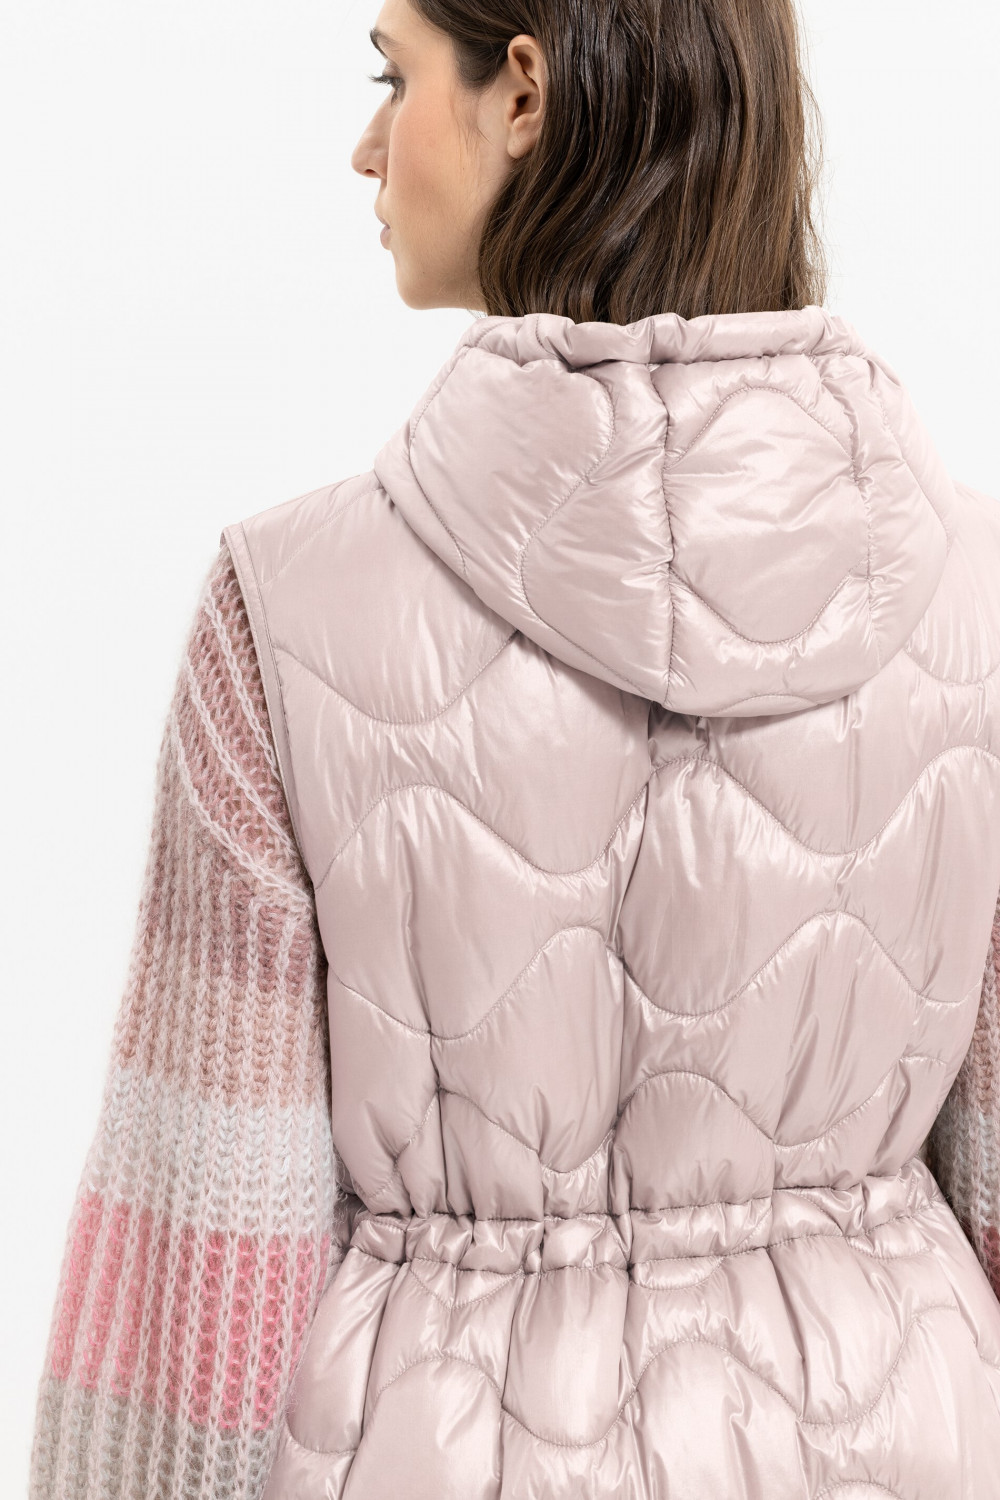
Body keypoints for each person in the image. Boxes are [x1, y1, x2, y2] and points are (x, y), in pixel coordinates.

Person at [28, 0, 1000, 1495]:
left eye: (394, 75)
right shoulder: (975, 594)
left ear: (524, 95)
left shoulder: (283, 617)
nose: (368, 146)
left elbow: (206, 1265)